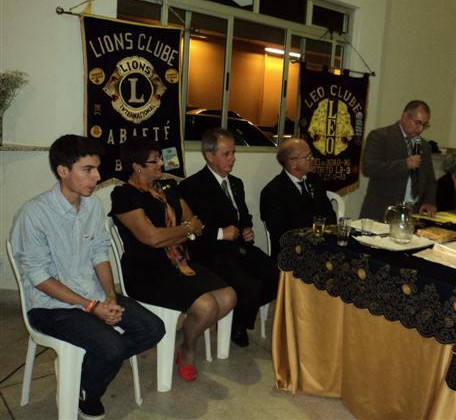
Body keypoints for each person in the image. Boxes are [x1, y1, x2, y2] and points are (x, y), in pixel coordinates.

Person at [10, 134, 165, 420]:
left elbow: (99, 253)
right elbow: (38, 276)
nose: (97, 177)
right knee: (112, 346)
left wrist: (109, 297)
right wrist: (91, 307)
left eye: (97, 168)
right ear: (63, 170)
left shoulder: (92, 206)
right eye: (88, 169)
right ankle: (89, 392)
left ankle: (83, 379)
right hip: (50, 306)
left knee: (153, 329)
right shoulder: (34, 214)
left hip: (93, 295)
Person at [110, 136, 236, 382]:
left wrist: (179, 231)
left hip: (179, 262)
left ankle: (181, 338)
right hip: (146, 271)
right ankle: (188, 349)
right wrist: (184, 231)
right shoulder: (125, 195)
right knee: (207, 306)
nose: (161, 164)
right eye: (154, 161)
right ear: (137, 166)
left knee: (229, 296)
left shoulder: (168, 187)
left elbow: (195, 222)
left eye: (160, 158)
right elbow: (152, 239)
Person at [179, 128, 278, 348]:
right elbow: (189, 230)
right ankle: (237, 326)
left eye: (233, 152)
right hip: (211, 253)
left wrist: (247, 228)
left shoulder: (236, 183)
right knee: (250, 286)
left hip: (239, 248)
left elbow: (243, 216)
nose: (233, 158)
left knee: (276, 277)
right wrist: (220, 233)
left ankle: (238, 315)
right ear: (209, 155)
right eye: (226, 154)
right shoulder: (192, 187)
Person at [260, 138, 337, 260]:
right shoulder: (272, 192)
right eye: (308, 157)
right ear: (293, 162)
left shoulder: (315, 181)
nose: (312, 159)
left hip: (322, 245)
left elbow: (329, 214)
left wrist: (323, 237)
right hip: (293, 253)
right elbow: (280, 234)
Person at [360, 100, 437, 220]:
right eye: (417, 123)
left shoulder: (424, 146)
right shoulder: (380, 136)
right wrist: (405, 164)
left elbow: (430, 178)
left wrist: (429, 201)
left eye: (424, 125)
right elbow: (369, 168)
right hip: (382, 210)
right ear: (405, 116)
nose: (420, 129)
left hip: (413, 213)